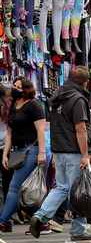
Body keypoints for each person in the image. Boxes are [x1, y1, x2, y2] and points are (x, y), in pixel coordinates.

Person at [29, 67, 91, 241]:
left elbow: (52, 126)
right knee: (78, 191)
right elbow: (80, 129)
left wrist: (54, 151)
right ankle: (79, 229)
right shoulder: (78, 99)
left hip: (59, 150)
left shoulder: (58, 97)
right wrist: (85, 155)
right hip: (74, 151)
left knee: (61, 187)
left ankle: (40, 216)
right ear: (85, 82)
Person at [0, 78, 46, 233]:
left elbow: (41, 130)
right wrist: (5, 154)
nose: (15, 88)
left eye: (19, 87)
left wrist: (42, 152)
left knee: (14, 187)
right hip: (17, 151)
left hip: (31, 150)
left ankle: (2, 221)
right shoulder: (14, 105)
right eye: (14, 85)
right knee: (25, 189)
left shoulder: (34, 105)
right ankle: (42, 220)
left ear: (27, 89)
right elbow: (9, 132)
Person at [0, 85, 12, 207]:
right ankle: (7, 214)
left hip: (6, 146)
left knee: (6, 181)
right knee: (7, 181)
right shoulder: (9, 107)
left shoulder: (7, 108)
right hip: (7, 147)